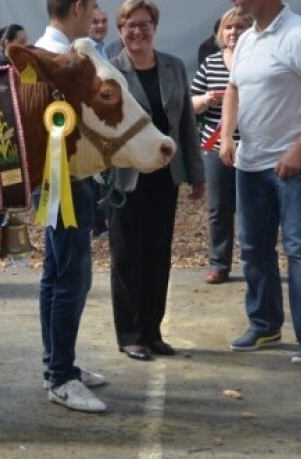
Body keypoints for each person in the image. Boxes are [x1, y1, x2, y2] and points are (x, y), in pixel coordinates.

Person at [220, 0, 301, 370]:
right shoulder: (247, 40)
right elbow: (233, 88)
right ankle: (264, 324)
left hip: (295, 166)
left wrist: (300, 150)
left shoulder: (300, 36)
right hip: (251, 163)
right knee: (254, 248)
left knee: (300, 249)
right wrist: (227, 135)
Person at [108, 0, 205, 361]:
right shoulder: (111, 72)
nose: (138, 31)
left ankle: (152, 331)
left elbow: (186, 127)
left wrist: (195, 174)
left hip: (165, 177)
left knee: (157, 255)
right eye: (130, 25)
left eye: (144, 24)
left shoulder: (174, 67)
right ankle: (130, 334)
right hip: (125, 179)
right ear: (120, 31)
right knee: (126, 255)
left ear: (154, 27)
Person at [34, 0, 108, 414]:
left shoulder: (57, 52)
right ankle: (60, 377)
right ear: (78, 7)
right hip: (63, 180)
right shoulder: (59, 57)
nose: (95, 12)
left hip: (64, 180)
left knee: (56, 274)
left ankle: (59, 366)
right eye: (93, 5)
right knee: (71, 279)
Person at [190, 8, 252, 285]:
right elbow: (190, 103)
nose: (233, 33)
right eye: (228, 28)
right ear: (220, 33)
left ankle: (254, 263)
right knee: (219, 208)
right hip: (215, 145)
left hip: (253, 144)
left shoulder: (257, 61)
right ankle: (219, 264)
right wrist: (205, 100)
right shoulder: (210, 63)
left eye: (239, 27)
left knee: (251, 207)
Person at [85, 7, 110, 240]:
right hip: (89, 122)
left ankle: (101, 222)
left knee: (101, 175)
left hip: (105, 121)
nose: (100, 26)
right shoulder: (84, 50)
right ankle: (95, 224)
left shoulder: (106, 50)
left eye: (103, 21)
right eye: (95, 22)